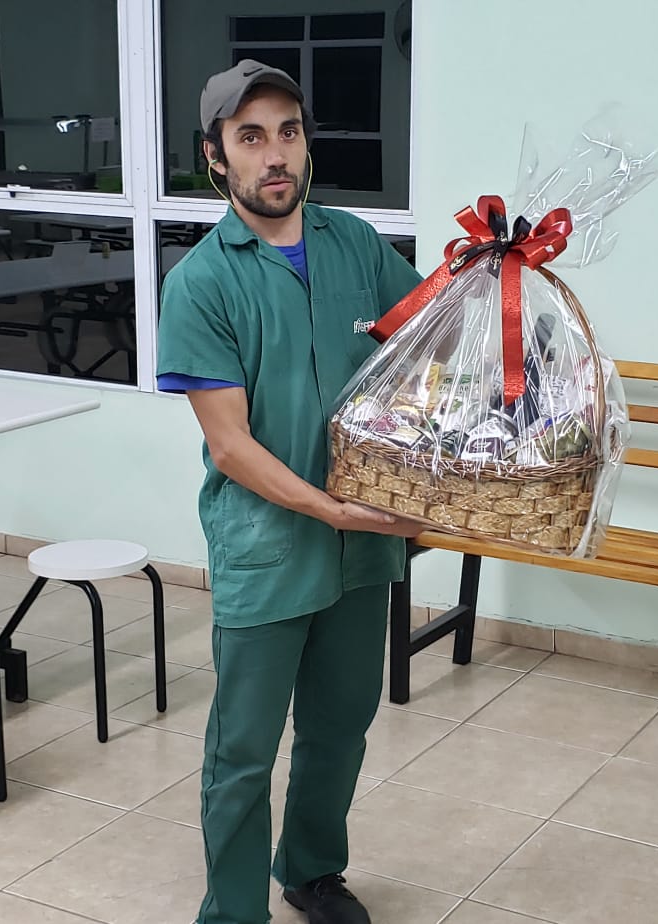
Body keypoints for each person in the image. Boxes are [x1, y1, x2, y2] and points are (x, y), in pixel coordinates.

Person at [155, 60, 424, 924]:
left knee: (340, 726)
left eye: (288, 132)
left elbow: (430, 348)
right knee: (243, 749)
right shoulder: (202, 282)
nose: (274, 155)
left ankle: (310, 870)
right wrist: (331, 508)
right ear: (215, 157)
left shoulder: (355, 246)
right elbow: (230, 446)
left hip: (362, 546)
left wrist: (495, 280)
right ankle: (233, 911)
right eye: (250, 137)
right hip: (267, 548)